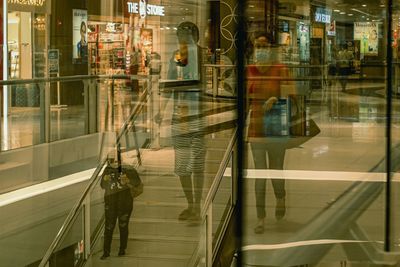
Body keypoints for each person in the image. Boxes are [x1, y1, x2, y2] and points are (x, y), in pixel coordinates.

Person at [247, 33, 290, 234]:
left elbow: (292, 94)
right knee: (260, 175)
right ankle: (260, 217)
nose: (261, 50)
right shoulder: (250, 70)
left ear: (271, 49)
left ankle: (280, 196)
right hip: (256, 129)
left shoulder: (280, 69)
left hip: (275, 129)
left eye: (264, 46)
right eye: (258, 46)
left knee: (276, 170)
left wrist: (276, 98)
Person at [100, 155, 138, 259]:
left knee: (123, 225)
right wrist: (106, 179)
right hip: (111, 204)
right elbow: (102, 185)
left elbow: (137, 184)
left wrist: (127, 181)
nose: (113, 163)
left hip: (125, 204)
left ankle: (122, 249)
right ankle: (106, 251)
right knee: (109, 227)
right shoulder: (107, 170)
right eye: (111, 160)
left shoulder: (129, 170)